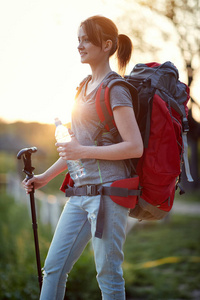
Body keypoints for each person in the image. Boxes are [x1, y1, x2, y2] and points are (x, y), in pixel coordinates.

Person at [23, 15, 143, 300]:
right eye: (78, 39)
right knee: (53, 269)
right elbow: (73, 150)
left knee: (108, 273)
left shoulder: (116, 89)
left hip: (110, 195)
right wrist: (43, 178)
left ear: (107, 45)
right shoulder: (82, 88)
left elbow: (134, 146)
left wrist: (82, 151)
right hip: (78, 195)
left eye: (86, 39)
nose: (79, 45)